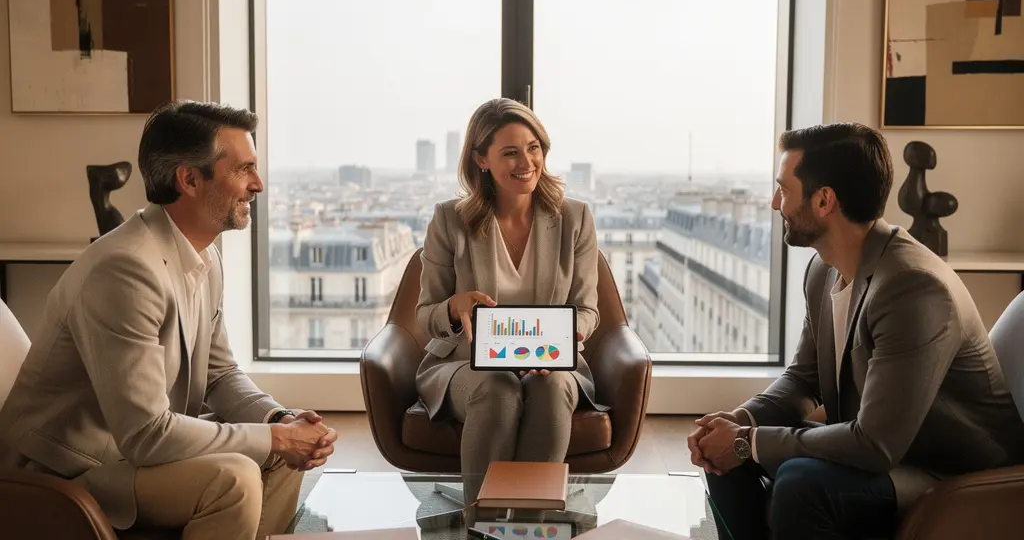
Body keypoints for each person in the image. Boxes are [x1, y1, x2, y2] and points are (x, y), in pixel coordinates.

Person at [0, 100, 339, 540]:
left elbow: (220, 375)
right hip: (68, 470)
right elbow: (145, 434)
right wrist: (275, 438)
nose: (258, 184)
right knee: (233, 478)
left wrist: (279, 421)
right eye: (244, 169)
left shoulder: (205, 255)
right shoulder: (126, 269)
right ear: (189, 179)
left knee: (280, 451)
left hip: (125, 452)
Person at [687, 123, 1024, 539]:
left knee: (799, 484)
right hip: (889, 447)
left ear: (824, 199)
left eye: (784, 190)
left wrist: (745, 441)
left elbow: (876, 443)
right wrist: (739, 421)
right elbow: (803, 378)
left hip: (951, 468)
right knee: (723, 458)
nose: (776, 203)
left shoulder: (914, 287)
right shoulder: (823, 270)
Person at [415, 98, 605, 511]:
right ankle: (481, 522)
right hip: (465, 364)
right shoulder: (450, 220)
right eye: (510, 152)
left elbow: (588, 309)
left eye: (534, 148)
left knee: (552, 386)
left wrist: (565, 340)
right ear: (481, 159)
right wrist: (454, 306)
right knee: (498, 386)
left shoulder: (576, 218)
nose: (526, 161)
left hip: (550, 360)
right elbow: (424, 316)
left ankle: (531, 522)